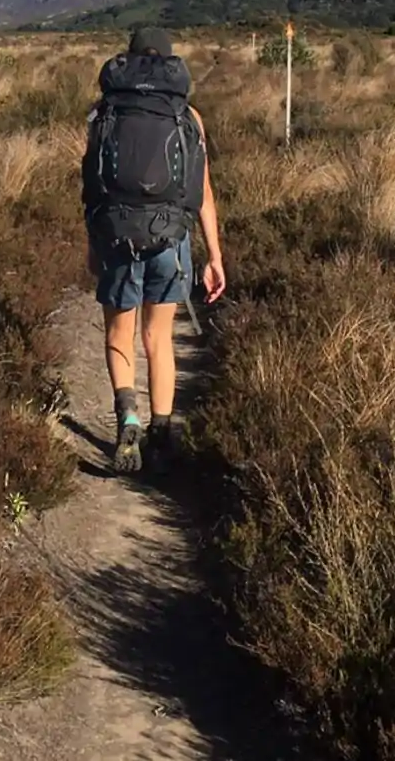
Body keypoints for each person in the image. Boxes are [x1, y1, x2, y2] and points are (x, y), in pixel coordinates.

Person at [82, 25, 225, 475]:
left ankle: (128, 419)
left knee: (118, 335)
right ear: (167, 61)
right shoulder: (189, 116)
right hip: (171, 238)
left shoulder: (103, 112)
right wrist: (214, 255)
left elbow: (93, 188)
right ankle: (162, 433)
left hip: (116, 234)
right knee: (158, 338)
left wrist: (94, 244)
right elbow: (199, 191)